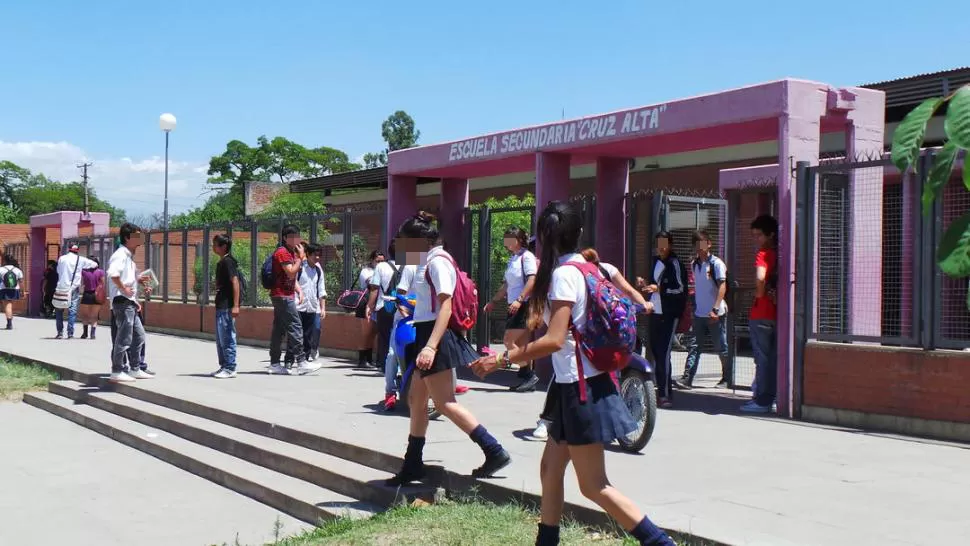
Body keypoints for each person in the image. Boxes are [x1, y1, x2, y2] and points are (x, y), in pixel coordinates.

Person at [470, 201, 675, 546]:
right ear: (578, 234)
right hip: (571, 385)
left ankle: (659, 542)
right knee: (551, 470)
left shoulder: (564, 274)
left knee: (594, 485)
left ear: (540, 238)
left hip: (584, 388)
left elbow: (553, 340)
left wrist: (503, 359)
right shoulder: (587, 267)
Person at [385, 211, 511, 487]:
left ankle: (494, 450)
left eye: (404, 241)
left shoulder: (438, 262)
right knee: (417, 401)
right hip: (427, 333)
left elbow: (446, 305)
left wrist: (430, 346)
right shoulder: (428, 261)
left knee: (444, 402)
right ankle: (413, 464)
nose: (400, 247)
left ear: (418, 241)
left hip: (435, 337)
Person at [483, 227, 539, 393]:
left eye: (510, 238)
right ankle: (526, 379)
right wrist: (493, 301)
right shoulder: (513, 259)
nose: (506, 241)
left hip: (523, 305)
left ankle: (529, 375)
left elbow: (532, 280)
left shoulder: (526, 257)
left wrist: (519, 300)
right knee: (521, 344)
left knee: (508, 341)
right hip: (513, 305)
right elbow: (506, 285)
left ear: (520, 239)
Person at [636, 231, 687, 409]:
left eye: (664, 244)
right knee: (657, 351)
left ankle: (664, 394)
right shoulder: (656, 262)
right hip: (655, 311)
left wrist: (660, 289)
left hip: (669, 313)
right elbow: (654, 285)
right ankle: (662, 390)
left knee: (664, 352)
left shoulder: (676, 264)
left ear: (671, 245)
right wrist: (645, 286)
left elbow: (680, 289)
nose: (661, 247)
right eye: (659, 244)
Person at [675, 230, 732, 390]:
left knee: (721, 347)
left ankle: (727, 378)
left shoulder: (716, 264)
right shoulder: (694, 265)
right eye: (696, 244)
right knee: (695, 346)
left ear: (709, 243)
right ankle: (688, 378)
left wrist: (715, 309)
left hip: (716, 313)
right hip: (699, 313)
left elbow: (722, 286)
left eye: (702, 243)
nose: (700, 247)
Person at [742, 215, 779, 414]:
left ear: (770, 235)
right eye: (754, 235)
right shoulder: (777, 253)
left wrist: (759, 293)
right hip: (774, 313)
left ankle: (762, 400)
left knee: (761, 358)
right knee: (772, 358)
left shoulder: (763, 254)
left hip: (761, 312)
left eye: (759, 235)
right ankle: (771, 396)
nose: (756, 239)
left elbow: (760, 277)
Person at [107, 223, 152, 382]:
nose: (141, 239)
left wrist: (137, 282)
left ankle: (135, 368)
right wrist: (124, 290)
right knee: (124, 337)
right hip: (122, 302)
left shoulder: (128, 258)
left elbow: (126, 277)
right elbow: (113, 274)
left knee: (139, 336)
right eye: (137, 235)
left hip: (130, 303)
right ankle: (117, 370)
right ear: (127, 237)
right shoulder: (120, 255)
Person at [268, 224, 312, 375]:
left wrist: (299, 290)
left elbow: (292, 278)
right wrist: (301, 258)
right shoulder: (283, 252)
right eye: (291, 237)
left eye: (297, 236)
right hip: (282, 296)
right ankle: (301, 361)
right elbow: (291, 273)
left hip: (285, 294)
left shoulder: (291, 253)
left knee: (279, 330)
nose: (295, 239)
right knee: (296, 326)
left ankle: (274, 363)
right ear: (285, 238)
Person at [382, 263, 417, 411]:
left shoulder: (435, 267)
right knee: (392, 355)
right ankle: (390, 392)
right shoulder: (411, 268)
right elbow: (400, 297)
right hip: (403, 319)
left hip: (426, 320)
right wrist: (406, 314)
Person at [211, 234, 241, 379]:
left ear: (223, 246)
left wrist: (235, 305)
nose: (213, 247)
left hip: (227, 306)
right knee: (221, 338)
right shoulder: (223, 262)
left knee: (227, 336)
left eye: (215, 244)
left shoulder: (228, 262)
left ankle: (230, 367)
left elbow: (235, 282)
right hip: (221, 305)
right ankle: (224, 366)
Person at [55, 243, 98, 339]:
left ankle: (60, 332)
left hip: (61, 287)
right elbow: (95, 264)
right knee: (72, 311)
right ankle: (70, 333)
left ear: (69, 249)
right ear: (77, 250)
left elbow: (58, 271)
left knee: (59, 310)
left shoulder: (62, 258)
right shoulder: (80, 259)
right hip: (73, 288)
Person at [296, 242, 327, 368]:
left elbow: (321, 289)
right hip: (299, 306)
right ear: (307, 254)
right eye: (315, 255)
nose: (317, 258)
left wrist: (323, 308)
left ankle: (307, 357)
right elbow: (293, 284)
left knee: (310, 333)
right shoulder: (300, 268)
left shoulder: (318, 270)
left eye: (319, 255)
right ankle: (295, 358)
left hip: (312, 307)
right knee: (298, 333)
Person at [355, 250, 385, 369]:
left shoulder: (382, 270)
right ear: (372, 260)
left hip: (376, 304)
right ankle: (362, 360)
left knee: (373, 333)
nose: (380, 264)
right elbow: (371, 283)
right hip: (365, 303)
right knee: (366, 333)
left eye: (382, 261)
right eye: (378, 261)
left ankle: (369, 359)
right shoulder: (366, 271)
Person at [79, 257, 105, 340]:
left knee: (85, 315)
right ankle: (93, 334)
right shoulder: (101, 272)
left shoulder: (84, 272)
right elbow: (103, 283)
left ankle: (85, 333)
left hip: (87, 294)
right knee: (94, 316)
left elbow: (82, 282)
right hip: (97, 295)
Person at [0, 254, 24, 330]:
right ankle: (10, 320)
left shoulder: (1, 269)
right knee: (10, 305)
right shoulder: (18, 270)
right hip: (15, 289)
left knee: (7, 306)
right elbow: (21, 282)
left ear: (5, 261)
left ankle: (9, 323)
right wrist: (22, 291)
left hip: (4, 289)